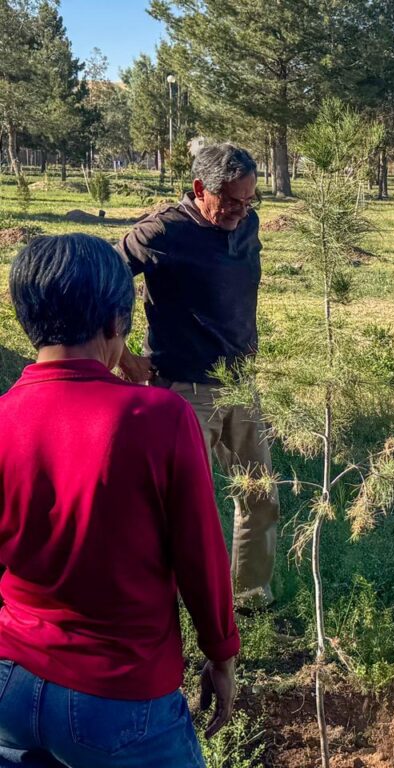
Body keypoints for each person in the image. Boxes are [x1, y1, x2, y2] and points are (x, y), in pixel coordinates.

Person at [0, 234, 239, 766]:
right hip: (120, 698)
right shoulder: (157, 417)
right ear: (115, 324)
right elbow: (201, 553)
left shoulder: (3, 417)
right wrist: (220, 653)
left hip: (10, 685)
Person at [118, 143, 280, 609]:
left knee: (260, 494)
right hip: (183, 389)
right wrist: (123, 356)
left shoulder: (246, 223)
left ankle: (249, 596)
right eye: (230, 200)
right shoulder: (161, 231)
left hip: (240, 382)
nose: (240, 210)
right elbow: (103, 280)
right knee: (184, 510)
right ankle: (166, 604)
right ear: (198, 189)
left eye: (249, 200)